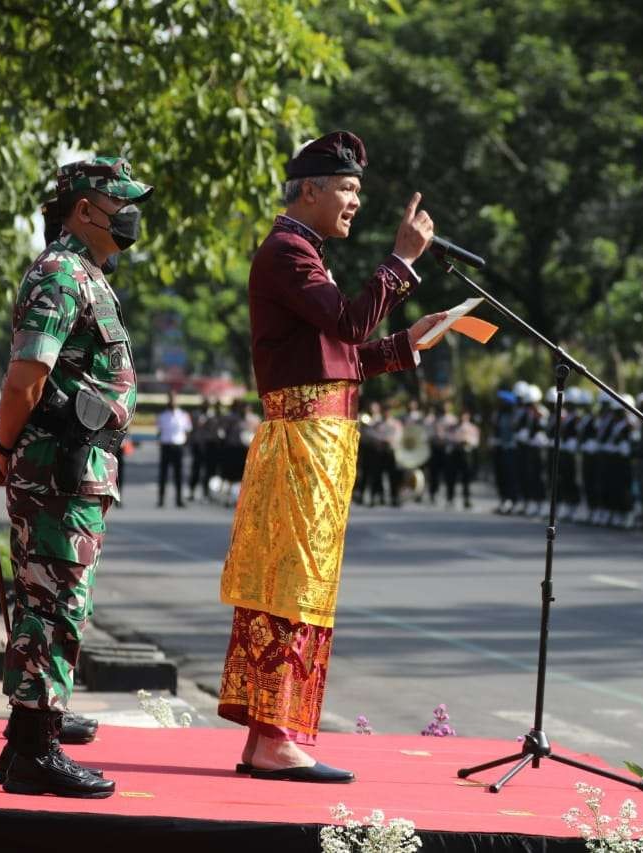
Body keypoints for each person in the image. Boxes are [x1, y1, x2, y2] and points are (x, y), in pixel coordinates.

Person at [215, 130, 443, 782]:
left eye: (358, 192)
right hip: (303, 446)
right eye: (346, 189)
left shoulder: (305, 252)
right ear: (310, 190)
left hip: (322, 443)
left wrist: (406, 343)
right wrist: (399, 263)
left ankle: (271, 736)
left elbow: (344, 357)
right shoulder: (289, 252)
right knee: (292, 587)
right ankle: (274, 737)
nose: (354, 203)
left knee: (301, 587)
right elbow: (348, 325)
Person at [0, 156, 152, 798]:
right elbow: (26, 378)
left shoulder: (86, 273)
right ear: (83, 210)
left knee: (53, 603)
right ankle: (36, 754)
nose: (131, 214)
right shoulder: (60, 274)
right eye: (120, 202)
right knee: (54, 606)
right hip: (56, 471)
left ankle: (25, 744)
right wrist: (1, 448)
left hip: (76, 467)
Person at [156, 390, 192, 508]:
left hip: (178, 447)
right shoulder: (162, 415)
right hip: (166, 446)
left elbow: (187, 431)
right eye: (170, 398)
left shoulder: (183, 415)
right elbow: (159, 432)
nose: (172, 401)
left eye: (174, 398)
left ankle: (179, 499)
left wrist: (184, 443)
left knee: (178, 475)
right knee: (163, 474)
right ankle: (161, 499)